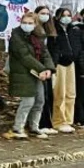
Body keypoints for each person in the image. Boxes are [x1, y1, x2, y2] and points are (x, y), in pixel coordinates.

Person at [8, 11, 54, 139]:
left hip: (38, 72)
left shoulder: (38, 37)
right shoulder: (16, 37)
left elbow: (45, 54)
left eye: (30, 23)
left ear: (35, 24)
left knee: (40, 101)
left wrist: (49, 68)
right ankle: (18, 127)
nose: (27, 25)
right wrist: (42, 69)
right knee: (28, 101)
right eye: (24, 22)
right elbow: (24, 56)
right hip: (24, 72)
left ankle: (34, 126)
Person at [49, 6, 80, 134]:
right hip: (60, 64)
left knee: (70, 93)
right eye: (63, 15)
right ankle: (59, 120)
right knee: (59, 93)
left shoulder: (73, 29)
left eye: (68, 15)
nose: (66, 18)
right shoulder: (54, 30)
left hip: (71, 63)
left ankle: (68, 119)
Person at [34, 5, 58, 133]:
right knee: (40, 97)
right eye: (42, 13)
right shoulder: (34, 30)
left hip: (48, 66)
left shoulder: (50, 31)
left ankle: (48, 123)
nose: (45, 15)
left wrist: (51, 67)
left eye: (47, 13)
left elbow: (50, 51)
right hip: (38, 66)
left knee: (49, 95)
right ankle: (40, 124)